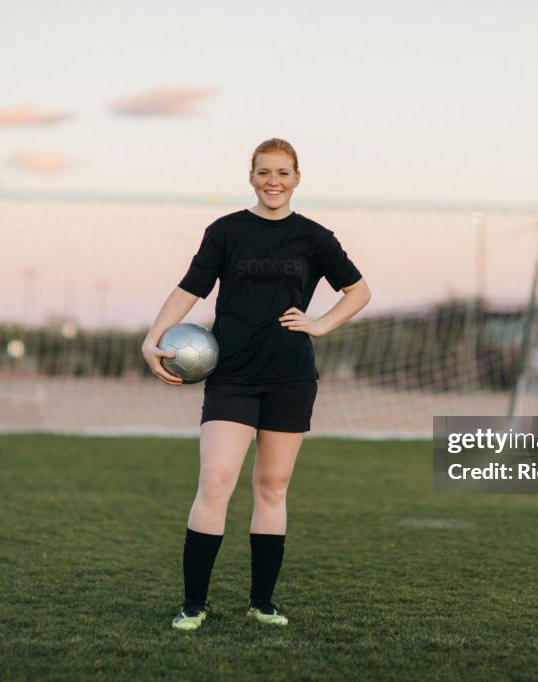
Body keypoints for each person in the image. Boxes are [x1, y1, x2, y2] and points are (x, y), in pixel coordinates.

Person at [141, 138, 371, 631]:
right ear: (251, 176)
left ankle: (262, 603)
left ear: (297, 178)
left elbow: (359, 290)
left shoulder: (314, 237)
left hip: (290, 376)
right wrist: (152, 338)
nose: (273, 181)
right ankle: (193, 605)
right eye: (264, 172)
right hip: (233, 376)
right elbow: (189, 288)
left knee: (273, 487)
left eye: (283, 173)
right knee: (216, 482)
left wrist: (321, 324)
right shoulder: (226, 232)